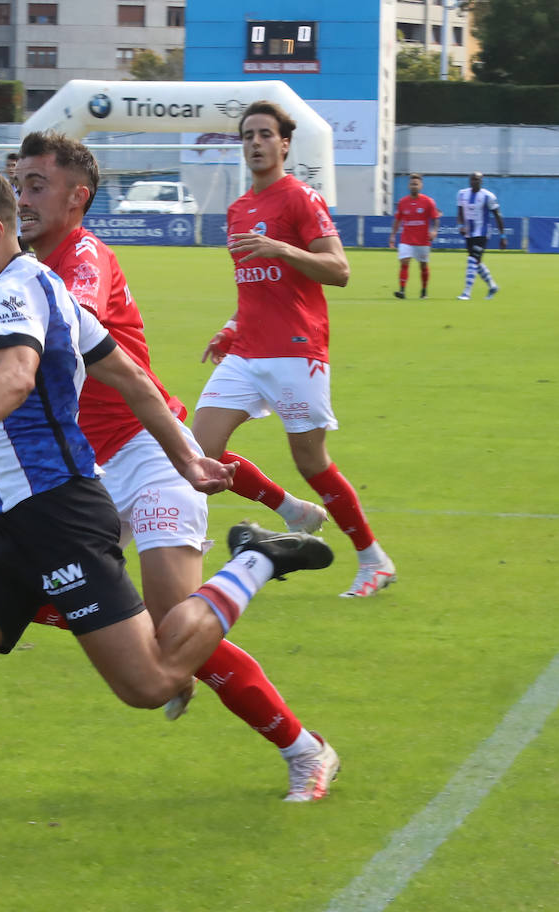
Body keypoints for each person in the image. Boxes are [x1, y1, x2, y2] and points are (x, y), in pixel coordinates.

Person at [0, 162, 333, 865]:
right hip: (17, 527)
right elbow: (134, 379)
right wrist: (189, 459)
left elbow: (19, 376)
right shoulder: (39, 289)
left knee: (151, 682)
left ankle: (257, 558)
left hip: (60, 518)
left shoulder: (14, 293)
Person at [195, 100, 396, 599]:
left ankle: (373, 558)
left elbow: (340, 271)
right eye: (248, 136)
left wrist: (282, 248)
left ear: (285, 144)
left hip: (296, 352)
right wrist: (230, 326)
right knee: (197, 452)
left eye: (265, 134)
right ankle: (289, 510)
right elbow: (255, 286)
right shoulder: (239, 209)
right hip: (246, 353)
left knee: (312, 461)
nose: (256, 143)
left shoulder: (301, 199)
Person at [455, 171, 505, 301]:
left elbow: (497, 215)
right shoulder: (462, 194)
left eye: (477, 180)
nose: (474, 182)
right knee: (476, 263)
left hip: (482, 233)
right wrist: (460, 226)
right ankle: (492, 286)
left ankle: (466, 292)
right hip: (468, 233)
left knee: (472, 260)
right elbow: (460, 212)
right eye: (472, 179)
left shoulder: (488, 196)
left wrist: (502, 235)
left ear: (482, 181)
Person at [389, 173, 439, 299]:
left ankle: (424, 291)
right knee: (404, 262)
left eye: (416, 184)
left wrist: (434, 231)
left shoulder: (428, 202)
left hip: (423, 241)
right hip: (406, 239)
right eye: (412, 184)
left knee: (423, 266)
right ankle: (402, 290)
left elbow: (435, 219)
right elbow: (397, 220)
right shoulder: (402, 202)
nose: (414, 186)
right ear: (408, 186)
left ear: (421, 186)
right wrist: (393, 235)